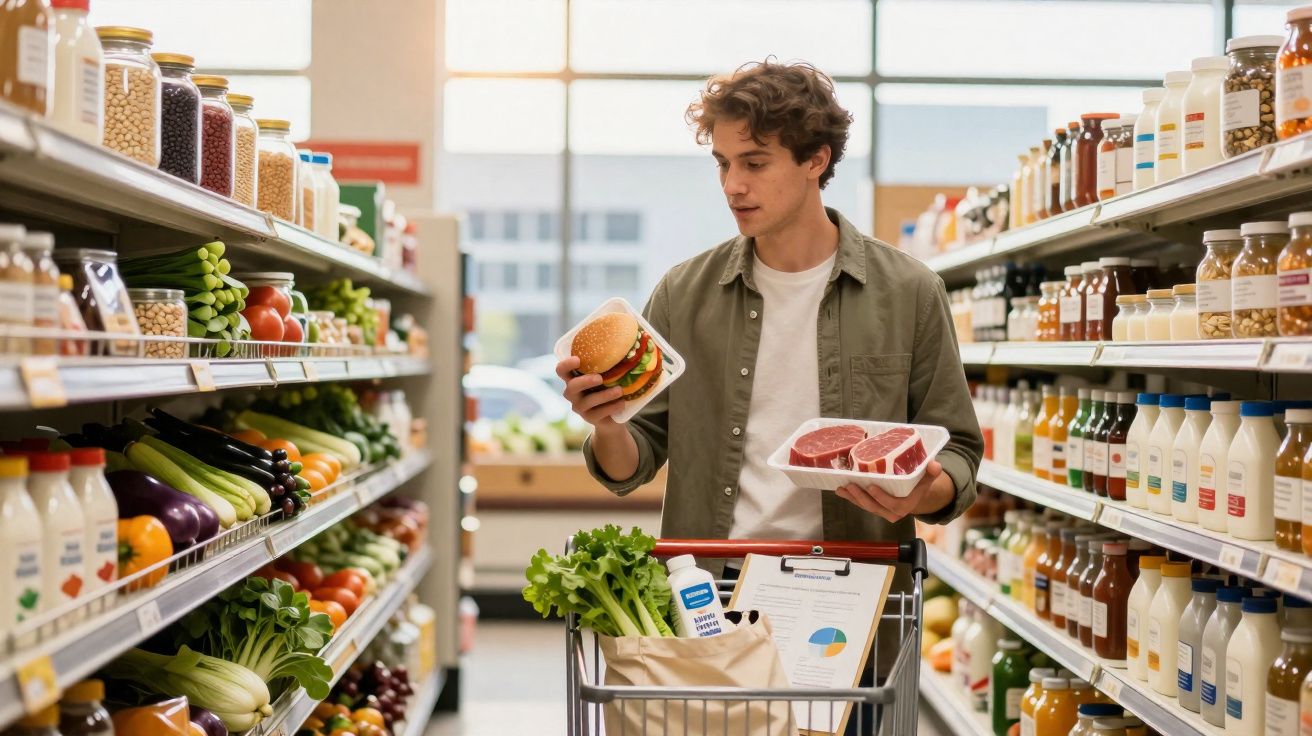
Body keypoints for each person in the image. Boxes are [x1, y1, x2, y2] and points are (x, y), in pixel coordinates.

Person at [555, 60, 982, 727]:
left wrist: (920, 490)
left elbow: (956, 447)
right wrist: (607, 424)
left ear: (816, 159)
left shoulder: (908, 292)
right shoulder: (683, 293)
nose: (733, 185)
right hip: (711, 598)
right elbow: (633, 462)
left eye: (754, 163)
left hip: (851, 591)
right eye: (722, 164)